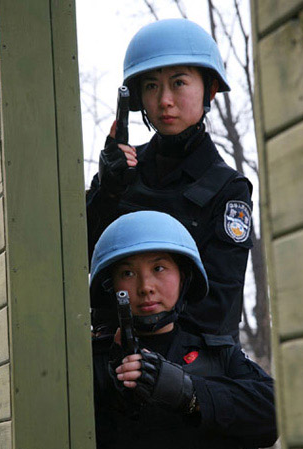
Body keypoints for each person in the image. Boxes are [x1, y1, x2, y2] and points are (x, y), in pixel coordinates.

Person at [90, 211, 289, 449]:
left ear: (184, 276)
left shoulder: (219, 354)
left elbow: (276, 414)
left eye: (160, 268)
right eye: (128, 273)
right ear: (111, 287)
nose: (145, 286)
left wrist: (186, 391)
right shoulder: (89, 364)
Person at [87, 18, 253, 342]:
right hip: (111, 355)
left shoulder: (227, 189)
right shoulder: (122, 172)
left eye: (178, 83)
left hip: (194, 366)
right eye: (151, 86)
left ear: (211, 89)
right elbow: (79, 259)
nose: (164, 100)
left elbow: (217, 306)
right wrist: (106, 192)